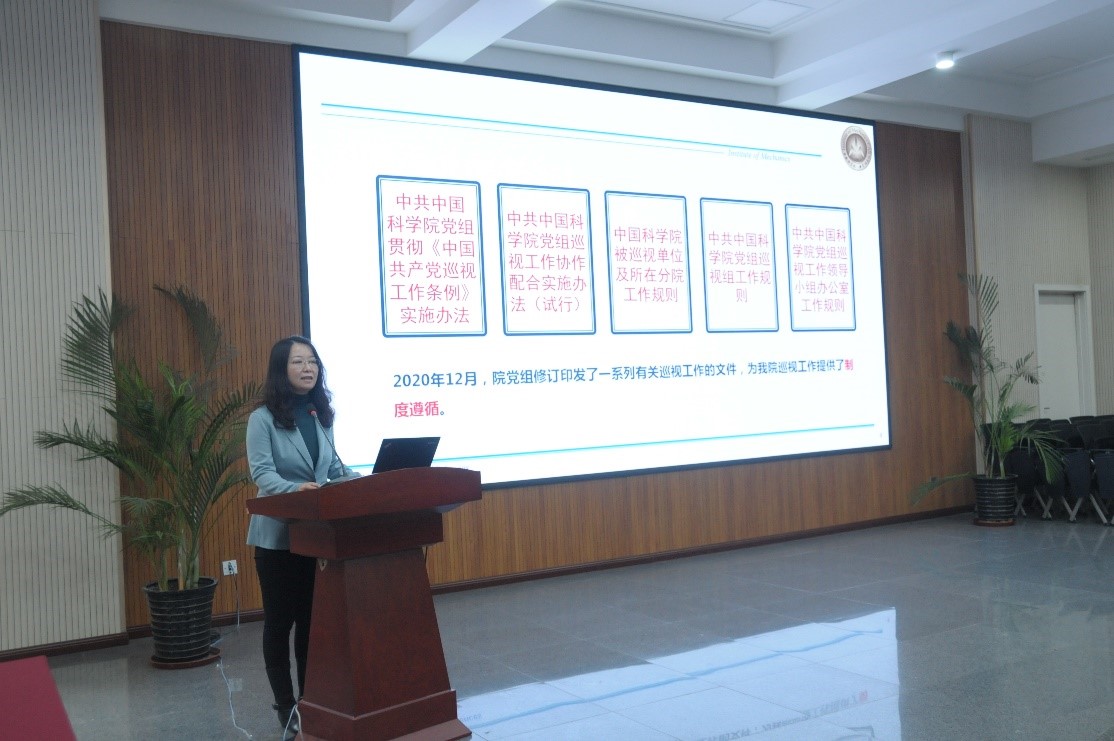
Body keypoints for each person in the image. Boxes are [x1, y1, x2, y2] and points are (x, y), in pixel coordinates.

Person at [245, 335, 351, 737]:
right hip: (277, 536)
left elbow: (333, 469)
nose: (308, 368)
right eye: (298, 362)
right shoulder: (262, 419)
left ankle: (310, 700)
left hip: (315, 536)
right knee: (280, 622)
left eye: (313, 362)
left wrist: (363, 481)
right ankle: (285, 706)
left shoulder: (319, 413)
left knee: (310, 621)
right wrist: (296, 490)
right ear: (281, 369)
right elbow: (262, 474)